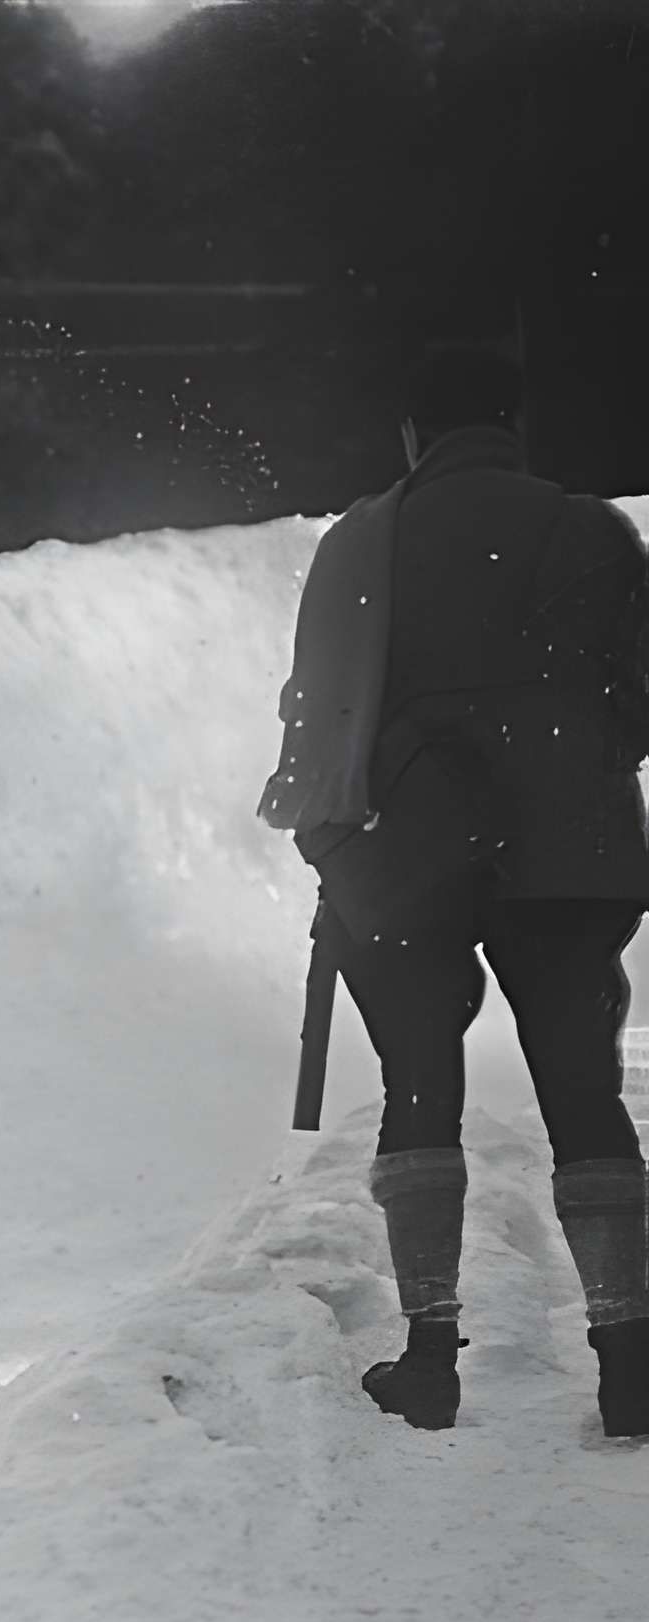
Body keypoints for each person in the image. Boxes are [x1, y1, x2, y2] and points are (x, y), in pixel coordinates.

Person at [259, 340, 649, 1434]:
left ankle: (428, 1358)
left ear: (408, 436)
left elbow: (312, 711)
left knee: (417, 1091)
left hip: (406, 849)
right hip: (571, 854)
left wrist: (331, 843)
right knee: (581, 1091)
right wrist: (561, 749)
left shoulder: (359, 542)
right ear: (511, 427)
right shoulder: (590, 531)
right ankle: (629, 1361)